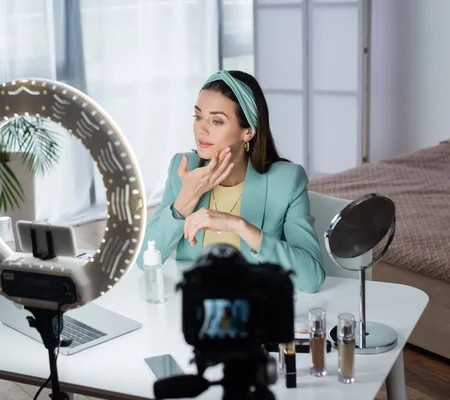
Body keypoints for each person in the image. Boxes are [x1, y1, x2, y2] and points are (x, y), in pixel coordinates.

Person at [137, 70, 325, 293]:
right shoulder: (184, 168)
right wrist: (187, 198)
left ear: (248, 131)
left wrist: (238, 225)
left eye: (216, 121)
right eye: (198, 117)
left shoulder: (286, 181)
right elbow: (145, 261)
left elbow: (311, 279)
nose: (201, 129)